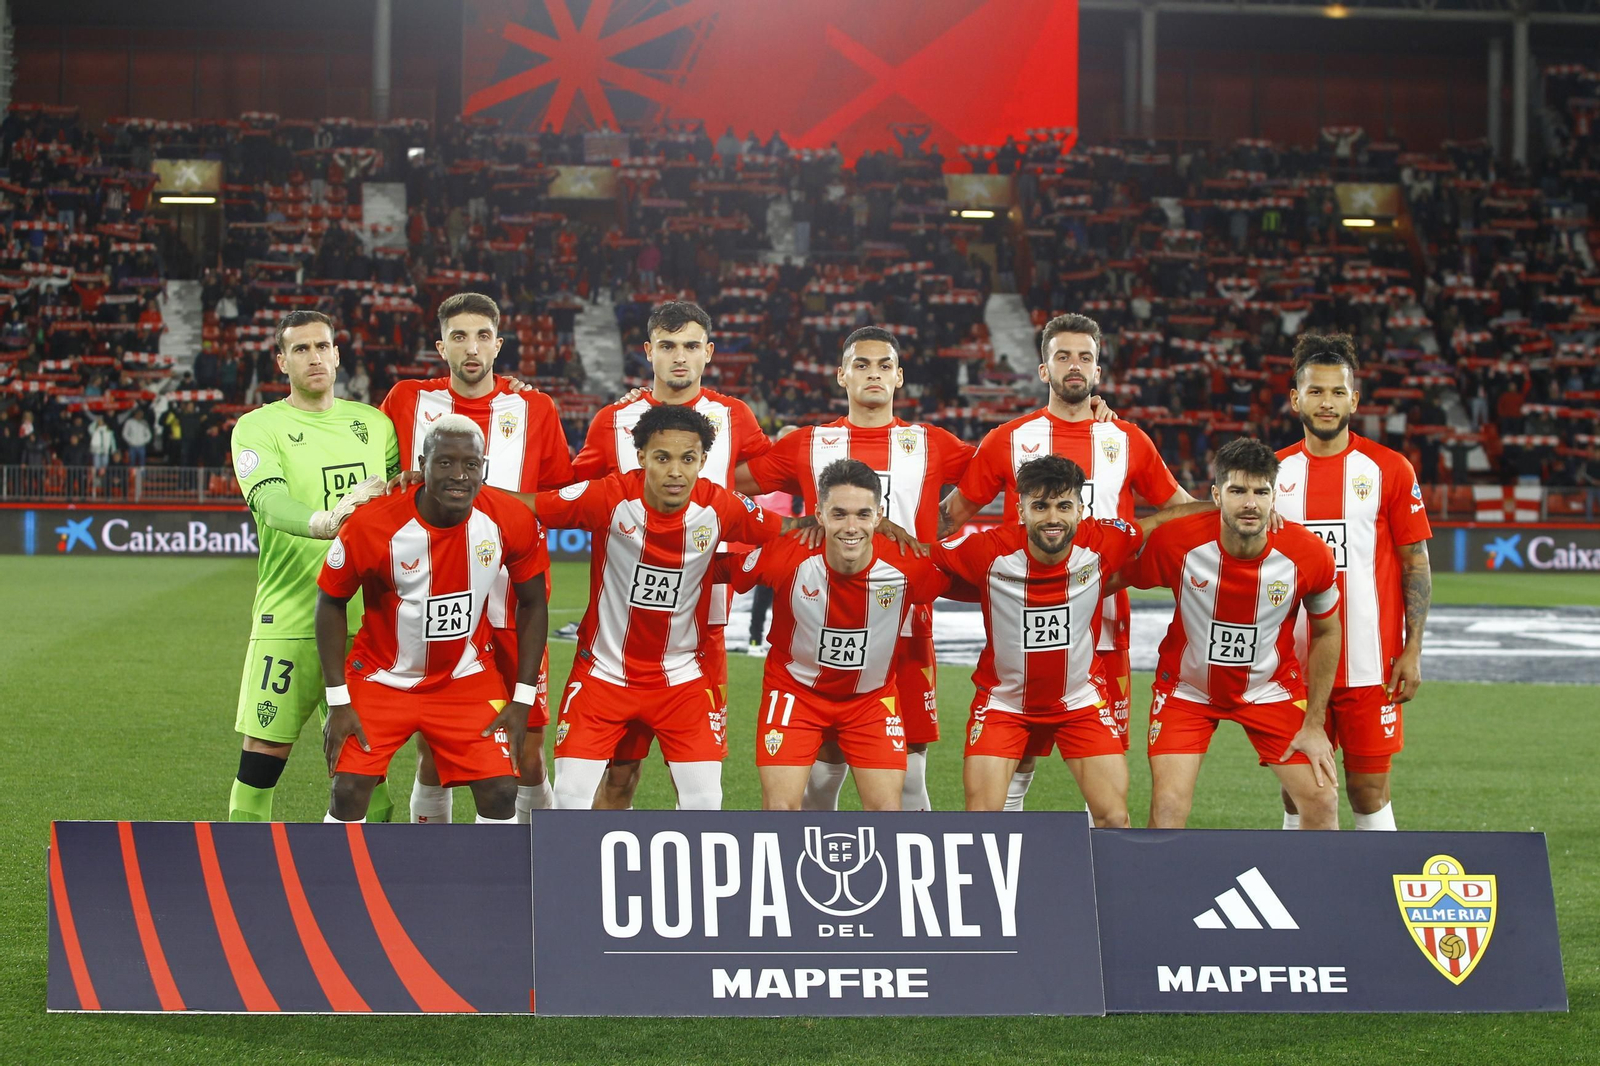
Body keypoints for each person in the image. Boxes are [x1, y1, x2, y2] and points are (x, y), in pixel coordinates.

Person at [938, 313, 1195, 810]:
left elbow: (1179, 512)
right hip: (1024, 621)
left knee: (1103, 761)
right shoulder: (1008, 440)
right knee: (1020, 750)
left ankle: (1102, 868)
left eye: (1085, 357)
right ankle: (1005, 857)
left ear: (1099, 371)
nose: (1074, 366)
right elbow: (951, 517)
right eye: (1063, 356)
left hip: (1105, 628)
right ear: (1043, 369)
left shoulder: (1127, 439)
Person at [738, 326, 972, 811]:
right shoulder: (809, 442)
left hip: (905, 626)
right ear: (841, 375)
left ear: (900, 377)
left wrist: (949, 521)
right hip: (823, 618)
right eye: (861, 365)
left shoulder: (932, 442)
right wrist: (788, 524)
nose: (873, 374)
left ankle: (907, 875)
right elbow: (724, 474)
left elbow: (1009, 471)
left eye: (884, 365)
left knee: (909, 769)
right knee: (825, 760)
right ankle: (819, 865)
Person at [538, 404, 808, 810]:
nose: (676, 471)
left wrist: (862, 526)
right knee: (570, 799)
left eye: (688, 459)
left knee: (705, 804)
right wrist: (444, 487)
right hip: (603, 673)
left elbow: (785, 530)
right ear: (642, 456)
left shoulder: (721, 505)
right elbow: (528, 505)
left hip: (682, 680)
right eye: (663, 457)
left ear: (702, 460)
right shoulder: (608, 495)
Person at [382, 292, 575, 824]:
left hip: (513, 605)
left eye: (483, 335)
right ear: (441, 346)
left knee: (528, 752)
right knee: (435, 750)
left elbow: (558, 496)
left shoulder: (533, 407)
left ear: (499, 344)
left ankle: (545, 857)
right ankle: (437, 867)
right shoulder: (406, 400)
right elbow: (383, 480)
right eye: (460, 336)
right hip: (436, 601)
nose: (472, 347)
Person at [571, 300, 772, 807]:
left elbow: (759, 479)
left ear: (708, 352)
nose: (678, 357)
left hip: (703, 627)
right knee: (618, 774)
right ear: (648, 352)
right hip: (621, 631)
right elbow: (575, 492)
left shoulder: (734, 416)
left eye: (689, 346)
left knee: (701, 783)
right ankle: (594, 876)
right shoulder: (613, 421)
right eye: (666, 346)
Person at [933, 456, 1204, 823]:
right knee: (982, 823)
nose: (1052, 518)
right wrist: (876, 531)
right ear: (1021, 510)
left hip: (1080, 703)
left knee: (1114, 819)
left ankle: (1106, 881)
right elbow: (919, 559)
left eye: (1063, 506)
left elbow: (1161, 520)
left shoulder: (1103, 540)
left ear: (1081, 509)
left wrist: (1229, 509)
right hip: (1004, 704)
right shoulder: (987, 549)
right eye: (1039, 506)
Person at [317, 414, 550, 824]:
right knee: (349, 790)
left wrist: (522, 699)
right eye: (444, 462)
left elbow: (533, 603)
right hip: (381, 678)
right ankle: (335, 886)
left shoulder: (509, 519)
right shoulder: (372, 525)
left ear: (485, 469)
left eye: (470, 464)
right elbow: (331, 602)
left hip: (466, 678)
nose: (458, 475)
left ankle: (487, 887)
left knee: (501, 791)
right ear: (421, 465)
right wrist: (338, 701)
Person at [226, 310, 397, 823]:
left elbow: (402, 502)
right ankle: (240, 883)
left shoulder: (373, 424)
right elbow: (270, 501)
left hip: (367, 627)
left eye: (322, 346)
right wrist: (329, 521)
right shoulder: (258, 428)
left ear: (338, 354)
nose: (314, 357)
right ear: (282, 361)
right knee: (261, 763)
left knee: (366, 774)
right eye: (300, 349)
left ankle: (364, 884)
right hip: (292, 620)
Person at [1119, 438, 1343, 830]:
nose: (1251, 503)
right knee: (1168, 810)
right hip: (1186, 691)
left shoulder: (1309, 555)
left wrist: (1314, 723)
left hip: (1270, 689)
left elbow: (1327, 630)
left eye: (1261, 492)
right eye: (1238, 491)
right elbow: (1113, 577)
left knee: (1323, 802)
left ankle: (1306, 891)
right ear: (1216, 495)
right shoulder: (1177, 543)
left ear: (1275, 496)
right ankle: (1158, 890)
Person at [720, 459, 945, 811]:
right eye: (838, 514)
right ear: (819, 515)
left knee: (889, 813)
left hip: (871, 701)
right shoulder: (787, 554)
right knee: (779, 811)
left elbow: (980, 579)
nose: (851, 527)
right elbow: (715, 568)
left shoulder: (908, 563)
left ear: (880, 516)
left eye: (862, 514)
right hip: (795, 693)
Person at [1274, 332, 1433, 831]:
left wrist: (1413, 648)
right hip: (1295, 666)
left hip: (1371, 663)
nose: (1327, 402)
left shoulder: (1388, 469)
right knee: (1300, 791)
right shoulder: (1272, 473)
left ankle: (1376, 903)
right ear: (1296, 398)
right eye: (1316, 392)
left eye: (1337, 392)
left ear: (1354, 400)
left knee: (1368, 792)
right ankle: (1296, 899)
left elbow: (1415, 563)